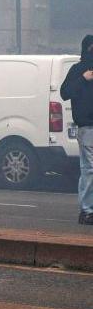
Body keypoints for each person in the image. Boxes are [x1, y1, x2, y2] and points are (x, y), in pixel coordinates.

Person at [60, 35, 93, 225]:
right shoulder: (78, 70)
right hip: (87, 126)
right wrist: (83, 78)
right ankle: (87, 210)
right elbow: (65, 92)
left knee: (89, 168)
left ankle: (88, 208)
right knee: (89, 168)